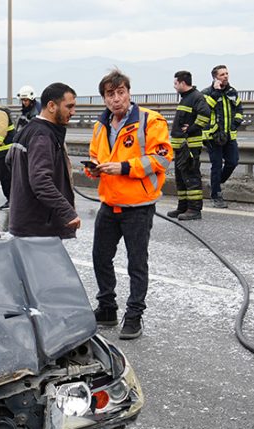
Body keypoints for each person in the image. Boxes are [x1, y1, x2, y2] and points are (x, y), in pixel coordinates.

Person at [86, 69, 172, 340]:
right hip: (109, 204)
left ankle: (134, 315)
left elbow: (162, 158)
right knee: (100, 258)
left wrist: (123, 167)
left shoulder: (150, 121)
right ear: (104, 98)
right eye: (110, 94)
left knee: (136, 263)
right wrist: (94, 170)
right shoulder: (100, 126)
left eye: (120, 92)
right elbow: (95, 155)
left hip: (138, 205)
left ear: (129, 93)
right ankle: (107, 307)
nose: (116, 99)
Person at [7, 82, 81, 239]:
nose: (73, 112)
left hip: (27, 224)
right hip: (39, 229)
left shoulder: (28, 129)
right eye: (69, 106)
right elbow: (40, 181)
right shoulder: (43, 136)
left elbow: (9, 161)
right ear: (52, 106)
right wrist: (67, 212)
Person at [167, 70, 211, 220]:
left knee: (191, 177)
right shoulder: (186, 98)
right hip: (181, 147)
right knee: (181, 178)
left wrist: (191, 129)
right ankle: (183, 207)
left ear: (182, 83)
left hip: (190, 147)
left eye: (175, 83)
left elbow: (205, 115)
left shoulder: (196, 97)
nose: (174, 86)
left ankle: (194, 209)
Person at [201, 65, 244, 208]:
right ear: (215, 77)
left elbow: (239, 109)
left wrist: (236, 122)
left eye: (226, 73)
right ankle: (216, 195)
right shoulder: (207, 93)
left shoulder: (232, 92)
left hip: (229, 135)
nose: (225, 76)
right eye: (222, 74)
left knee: (233, 162)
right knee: (217, 165)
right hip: (213, 136)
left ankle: (216, 183)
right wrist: (217, 92)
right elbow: (205, 110)